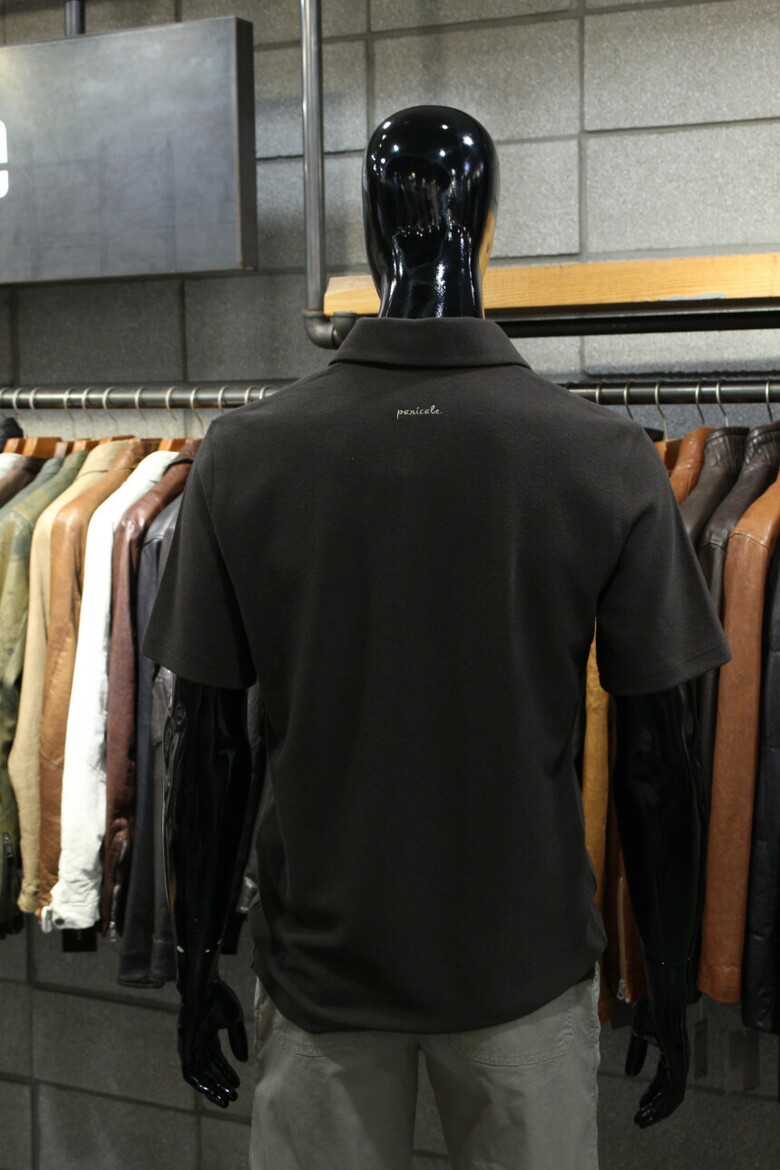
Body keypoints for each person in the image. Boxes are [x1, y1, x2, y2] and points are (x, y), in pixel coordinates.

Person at [142, 105, 731, 1169]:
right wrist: (669, 981)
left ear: (371, 239)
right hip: (522, 968)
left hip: (320, 970)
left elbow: (209, 744)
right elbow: (659, 761)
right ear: (490, 230)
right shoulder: (603, 457)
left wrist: (195, 961)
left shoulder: (245, 455)